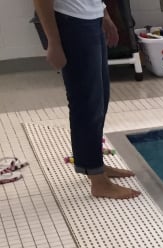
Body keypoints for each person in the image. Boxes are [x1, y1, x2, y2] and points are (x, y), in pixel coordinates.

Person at [33, 0, 140, 200]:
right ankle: (98, 182)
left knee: (100, 99)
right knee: (86, 103)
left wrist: (103, 13)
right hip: (70, 22)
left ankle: (94, 163)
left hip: (90, 18)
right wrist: (54, 43)